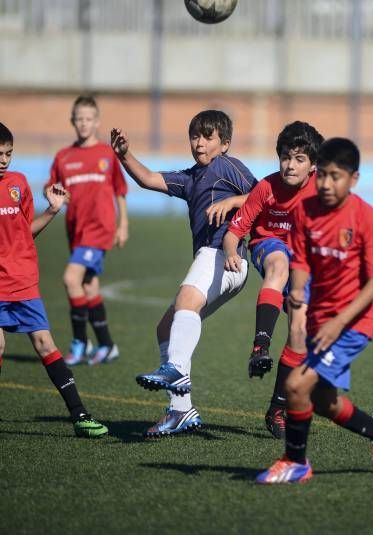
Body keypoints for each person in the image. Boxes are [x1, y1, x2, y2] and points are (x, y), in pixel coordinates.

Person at [0, 119, 108, 441]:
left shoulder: (19, 184)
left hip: (22, 278)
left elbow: (25, 232)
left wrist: (52, 211)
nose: (5, 160)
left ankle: (80, 415)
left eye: (9, 153)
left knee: (45, 343)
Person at [224, 121, 373, 440]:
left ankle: (277, 408)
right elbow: (236, 231)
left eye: (299, 159)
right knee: (278, 263)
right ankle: (260, 344)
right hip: (269, 248)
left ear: (313, 165)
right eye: (286, 157)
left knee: (299, 333)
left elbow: (347, 250)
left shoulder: (324, 192)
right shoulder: (266, 188)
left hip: (304, 264)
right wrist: (232, 251)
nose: (290, 165)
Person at [256, 137, 373, 484]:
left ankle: (296, 462)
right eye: (322, 176)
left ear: (354, 179)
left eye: (336, 176)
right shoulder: (305, 211)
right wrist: (300, 297)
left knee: (295, 386)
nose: (326, 184)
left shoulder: (366, 218)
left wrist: (338, 322)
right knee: (322, 400)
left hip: (353, 324)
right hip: (322, 321)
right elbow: (300, 262)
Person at [110, 110, 257, 437]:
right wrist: (123, 155)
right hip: (219, 265)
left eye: (208, 137)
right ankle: (180, 410)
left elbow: (266, 196)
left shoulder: (226, 166)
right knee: (166, 327)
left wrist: (233, 201)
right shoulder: (191, 178)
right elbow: (147, 178)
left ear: (224, 144)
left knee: (186, 303)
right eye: (195, 136)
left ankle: (175, 368)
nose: (200, 143)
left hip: (224, 255)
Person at [45, 95, 129, 366]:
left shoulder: (107, 154)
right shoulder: (63, 157)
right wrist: (53, 194)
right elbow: (50, 188)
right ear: (72, 121)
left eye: (88, 119)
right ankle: (107, 345)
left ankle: (80, 342)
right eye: (79, 119)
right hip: (76, 231)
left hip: (100, 229)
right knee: (89, 287)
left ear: (97, 121)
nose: (83, 124)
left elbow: (120, 191)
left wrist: (123, 224)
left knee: (71, 279)